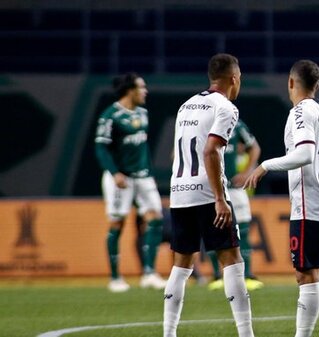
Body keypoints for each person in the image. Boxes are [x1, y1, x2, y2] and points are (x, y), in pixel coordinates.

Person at [244, 59, 319, 337]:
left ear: (291, 82)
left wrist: (265, 165)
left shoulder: (300, 113)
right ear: (318, 85)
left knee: (306, 276)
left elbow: (304, 155)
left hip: (311, 208)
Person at [163, 53, 254, 337]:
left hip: (179, 192)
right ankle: (246, 333)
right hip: (206, 193)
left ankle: (168, 333)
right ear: (234, 79)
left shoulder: (186, 105)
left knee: (181, 266)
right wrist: (219, 198)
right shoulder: (226, 107)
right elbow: (211, 150)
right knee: (232, 260)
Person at [95, 72, 167, 293]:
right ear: (130, 90)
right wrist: (114, 172)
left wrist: (148, 171)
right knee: (118, 223)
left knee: (155, 217)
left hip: (143, 176)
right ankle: (115, 278)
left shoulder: (143, 114)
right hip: (121, 178)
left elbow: (141, 148)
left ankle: (149, 273)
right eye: (141, 87)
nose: (145, 91)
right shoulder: (111, 116)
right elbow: (101, 147)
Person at [207, 119, 264, 291]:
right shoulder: (203, 123)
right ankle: (218, 275)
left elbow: (254, 147)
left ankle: (247, 275)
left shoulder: (237, 125)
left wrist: (247, 172)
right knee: (214, 230)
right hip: (212, 188)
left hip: (234, 187)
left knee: (244, 229)